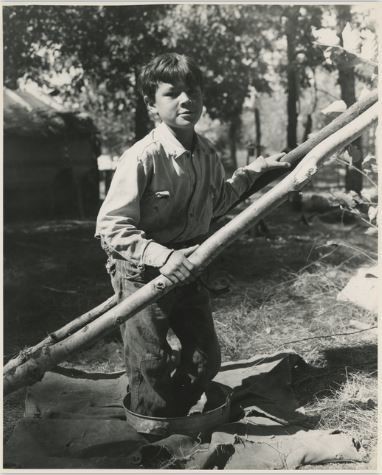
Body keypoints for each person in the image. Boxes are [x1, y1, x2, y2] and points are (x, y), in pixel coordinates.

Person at [95, 53, 289, 418]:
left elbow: (217, 203)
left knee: (205, 357)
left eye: (193, 91)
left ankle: (174, 414)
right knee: (150, 361)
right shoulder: (143, 158)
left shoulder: (207, 155)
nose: (186, 100)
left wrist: (258, 171)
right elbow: (110, 227)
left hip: (190, 266)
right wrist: (163, 257)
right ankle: (152, 431)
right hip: (142, 271)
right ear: (152, 104)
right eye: (172, 93)